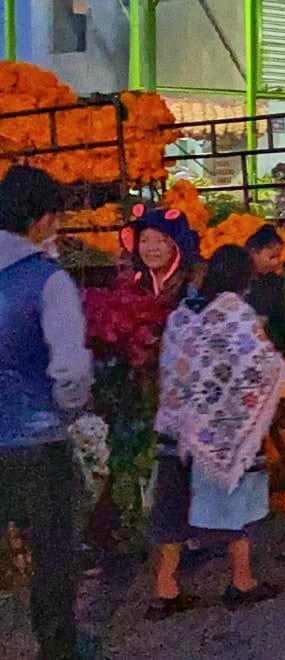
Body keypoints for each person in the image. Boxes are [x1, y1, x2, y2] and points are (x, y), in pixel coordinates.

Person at [148, 245, 285, 619]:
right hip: (221, 430)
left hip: (178, 428)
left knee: (173, 507)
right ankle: (242, 582)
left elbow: (175, 369)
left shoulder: (181, 316)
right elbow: (262, 366)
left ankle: (165, 590)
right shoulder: (235, 313)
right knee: (233, 505)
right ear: (244, 279)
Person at [0, 166, 93, 659]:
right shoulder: (47, 280)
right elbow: (71, 367)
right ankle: (57, 650)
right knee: (52, 553)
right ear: (40, 220)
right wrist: (70, 410)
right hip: (37, 440)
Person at [118, 203, 201, 309]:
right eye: (144, 240)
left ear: (177, 246)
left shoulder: (197, 283)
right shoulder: (132, 280)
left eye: (161, 240)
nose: (151, 248)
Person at [244, 225, 285, 355]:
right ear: (253, 252)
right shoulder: (236, 280)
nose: (276, 262)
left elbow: (281, 317)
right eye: (272, 257)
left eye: (278, 257)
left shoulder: (273, 280)